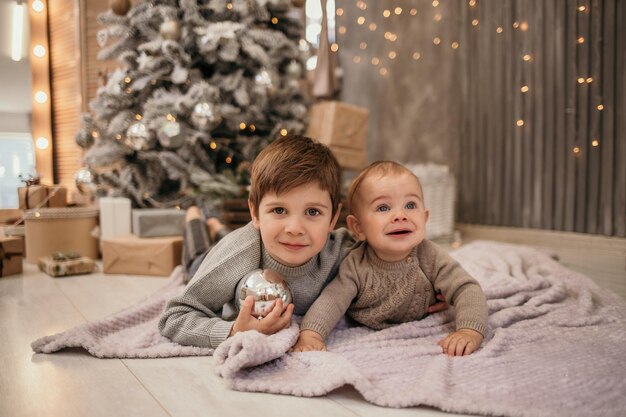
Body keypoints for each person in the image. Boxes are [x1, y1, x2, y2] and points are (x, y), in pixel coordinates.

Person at [158, 134, 356, 348]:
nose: (295, 229)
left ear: (333, 219)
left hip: (254, 239)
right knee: (195, 260)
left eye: (313, 212)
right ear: (255, 212)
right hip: (217, 256)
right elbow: (174, 317)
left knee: (232, 238)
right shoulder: (237, 255)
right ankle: (194, 218)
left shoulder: (342, 251)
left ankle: (216, 226)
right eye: (279, 210)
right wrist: (234, 331)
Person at [293, 161, 488, 356]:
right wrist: (312, 334)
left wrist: (469, 330)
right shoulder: (355, 264)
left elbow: (466, 289)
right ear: (358, 228)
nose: (400, 215)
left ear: (425, 217)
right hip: (367, 323)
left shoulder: (430, 255)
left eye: (410, 205)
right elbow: (332, 300)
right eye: (384, 208)